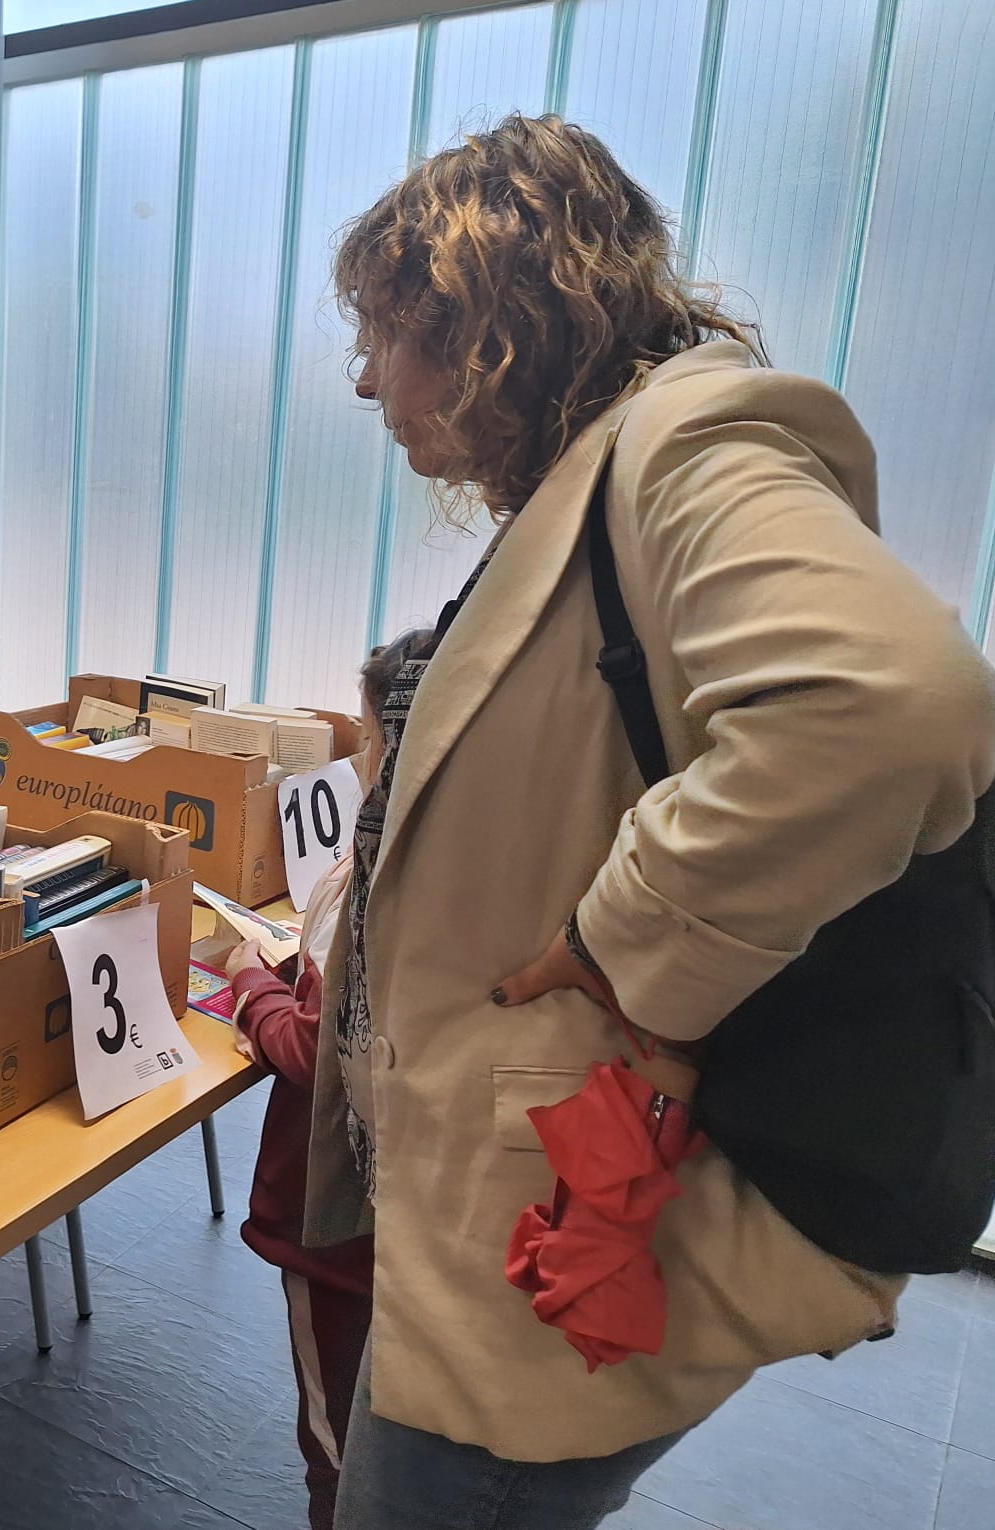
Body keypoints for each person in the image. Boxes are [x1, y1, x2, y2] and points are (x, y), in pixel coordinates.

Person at [311, 114, 995, 1529]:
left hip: (561, 1192)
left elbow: (892, 705)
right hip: (503, 1177)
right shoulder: (586, 480)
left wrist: (628, 937)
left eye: (391, 333)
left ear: (486, 319)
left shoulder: (686, 442)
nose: (369, 377)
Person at [219, 627, 435, 1530]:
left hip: (335, 1227)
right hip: (417, 1228)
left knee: (336, 1445)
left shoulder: (374, 888)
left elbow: (317, 1052)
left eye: (363, 738)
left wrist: (248, 987)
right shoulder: (460, 868)